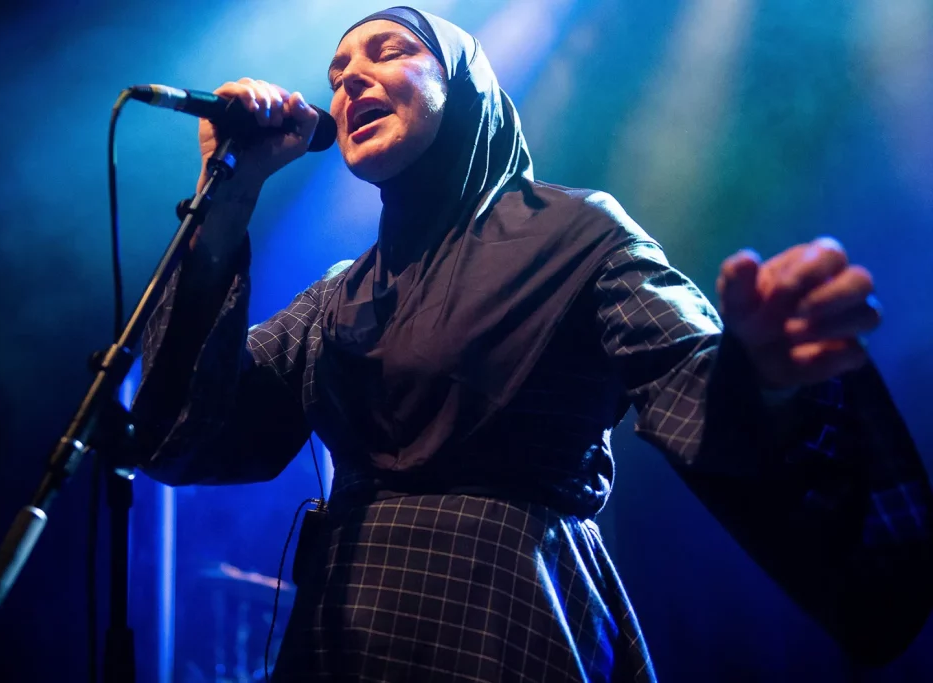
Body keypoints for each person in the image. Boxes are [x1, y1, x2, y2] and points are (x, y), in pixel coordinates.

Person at [131, 7, 933, 681]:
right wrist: (227, 199)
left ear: (465, 84)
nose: (349, 82)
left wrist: (763, 371)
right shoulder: (339, 294)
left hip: (507, 609)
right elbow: (187, 434)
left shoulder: (575, 235)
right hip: (343, 629)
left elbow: (696, 385)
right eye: (337, 73)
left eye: (390, 51)